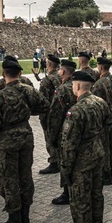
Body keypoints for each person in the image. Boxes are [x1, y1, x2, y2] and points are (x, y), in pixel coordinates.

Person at [0, 57, 49, 223]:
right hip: (25, 136)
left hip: (6, 141)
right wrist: (26, 113)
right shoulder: (29, 91)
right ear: (20, 73)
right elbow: (45, 106)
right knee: (25, 176)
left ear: (4, 74)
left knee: (9, 179)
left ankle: (14, 219)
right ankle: (25, 215)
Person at [60, 71, 110, 223]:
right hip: (97, 156)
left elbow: (69, 144)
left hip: (81, 163)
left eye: (74, 85)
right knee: (96, 196)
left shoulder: (77, 110)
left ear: (78, 86)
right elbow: (107, 128)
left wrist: (65, 169)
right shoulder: (100, 102)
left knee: (81, 200)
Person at [47, 59, 78, 204]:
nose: (59, 72)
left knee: (65, 162)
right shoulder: (79, 85)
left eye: (60, 70)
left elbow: (55, 116)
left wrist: (52, 137)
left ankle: (67, 193)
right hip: (80, 132)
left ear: (64, 71)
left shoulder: (63, 89)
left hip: (65, 132)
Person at [92, 56, 112, 185]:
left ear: (100, 67)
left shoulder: (99, 84)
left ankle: (106, 175)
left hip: (104, 121)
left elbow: (95, 103)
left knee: (105, 148)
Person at [38, 55, 63, 174]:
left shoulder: (47, 80)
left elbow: (42, 99)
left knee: (50, 136)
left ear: (48, 65)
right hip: (61, 111)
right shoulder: (60, 77)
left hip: (50, 113)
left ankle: (54, 161)